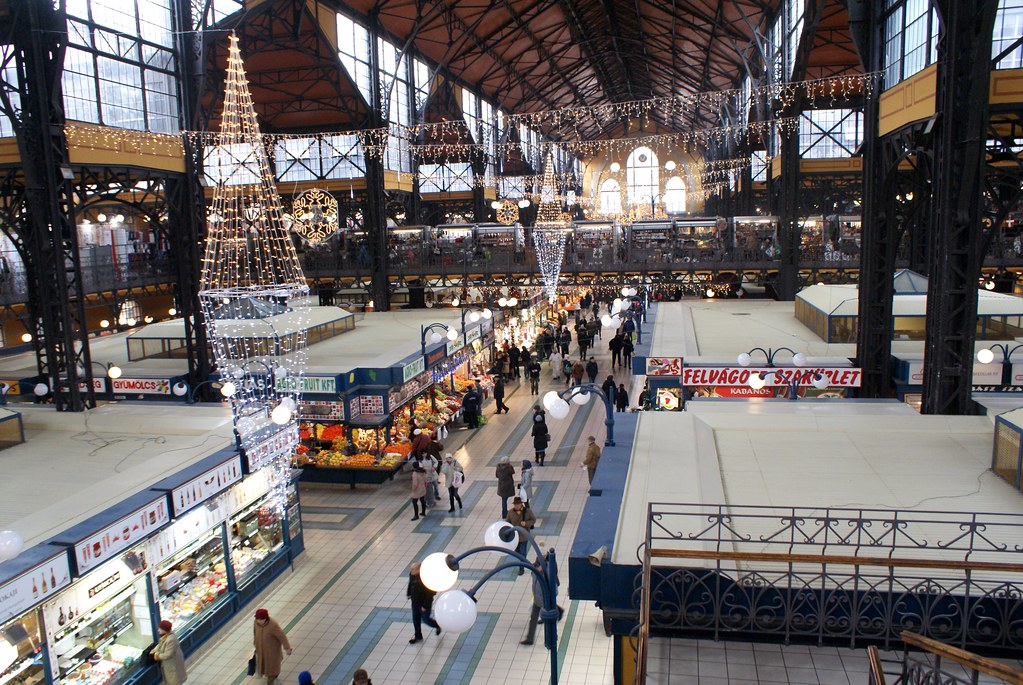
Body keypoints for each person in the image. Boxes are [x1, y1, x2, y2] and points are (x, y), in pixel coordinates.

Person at [520, 554, 564, 645]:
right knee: (533, 618)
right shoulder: (536, 571)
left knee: (549, 619)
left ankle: (552, 637)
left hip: (546, 598)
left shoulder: (548, 572)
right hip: (537, 598)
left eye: (538, 566)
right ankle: (530, 638)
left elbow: (552, 585)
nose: (536, 567)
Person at [253, 608, 292, 685]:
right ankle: (273, 674)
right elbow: (255, 633)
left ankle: (271, 680)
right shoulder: (256, 623)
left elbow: (282, 636)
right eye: (257, 619)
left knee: (271, 669)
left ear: (265, 619)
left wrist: (287, 648)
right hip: (261, 651)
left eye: (260, 619)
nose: (258, 621)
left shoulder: (273, 625)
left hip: (272, 653)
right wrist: (255, 644)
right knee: (264, 666)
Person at [407, 562, 441, 644]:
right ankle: (418, 636)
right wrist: (409, 593)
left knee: (426, 619)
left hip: (424, 604)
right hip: (415, 602)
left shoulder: (426, 579)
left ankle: (437, 625)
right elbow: (410, 584)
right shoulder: (412, 574)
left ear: (419, 570)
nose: (410, 570)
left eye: (413, 569)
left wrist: (425, 606)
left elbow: (431, 593)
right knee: (416, 620)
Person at [505, 496, 536, 572]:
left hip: (523, 536)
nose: (516, 505)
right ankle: (524, 561)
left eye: (518, 504)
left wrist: (526, 523)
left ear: (521, 504)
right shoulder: (510, 512)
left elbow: (533, 520)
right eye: (515, 504)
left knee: (523, 552)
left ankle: (521, 567)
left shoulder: (528, 512)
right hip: (514, 536)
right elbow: (507, 522)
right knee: (516, 550)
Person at [151, 620, 187, 685]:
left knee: (174, 682)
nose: (158, 630)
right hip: (169, 666)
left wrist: (157, 656)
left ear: (164, 630)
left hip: (173, 666)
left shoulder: (171, 639)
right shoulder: (165, 637)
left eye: (160, 628)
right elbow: (160, 645)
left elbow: (168, 655)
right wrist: (154, 650)